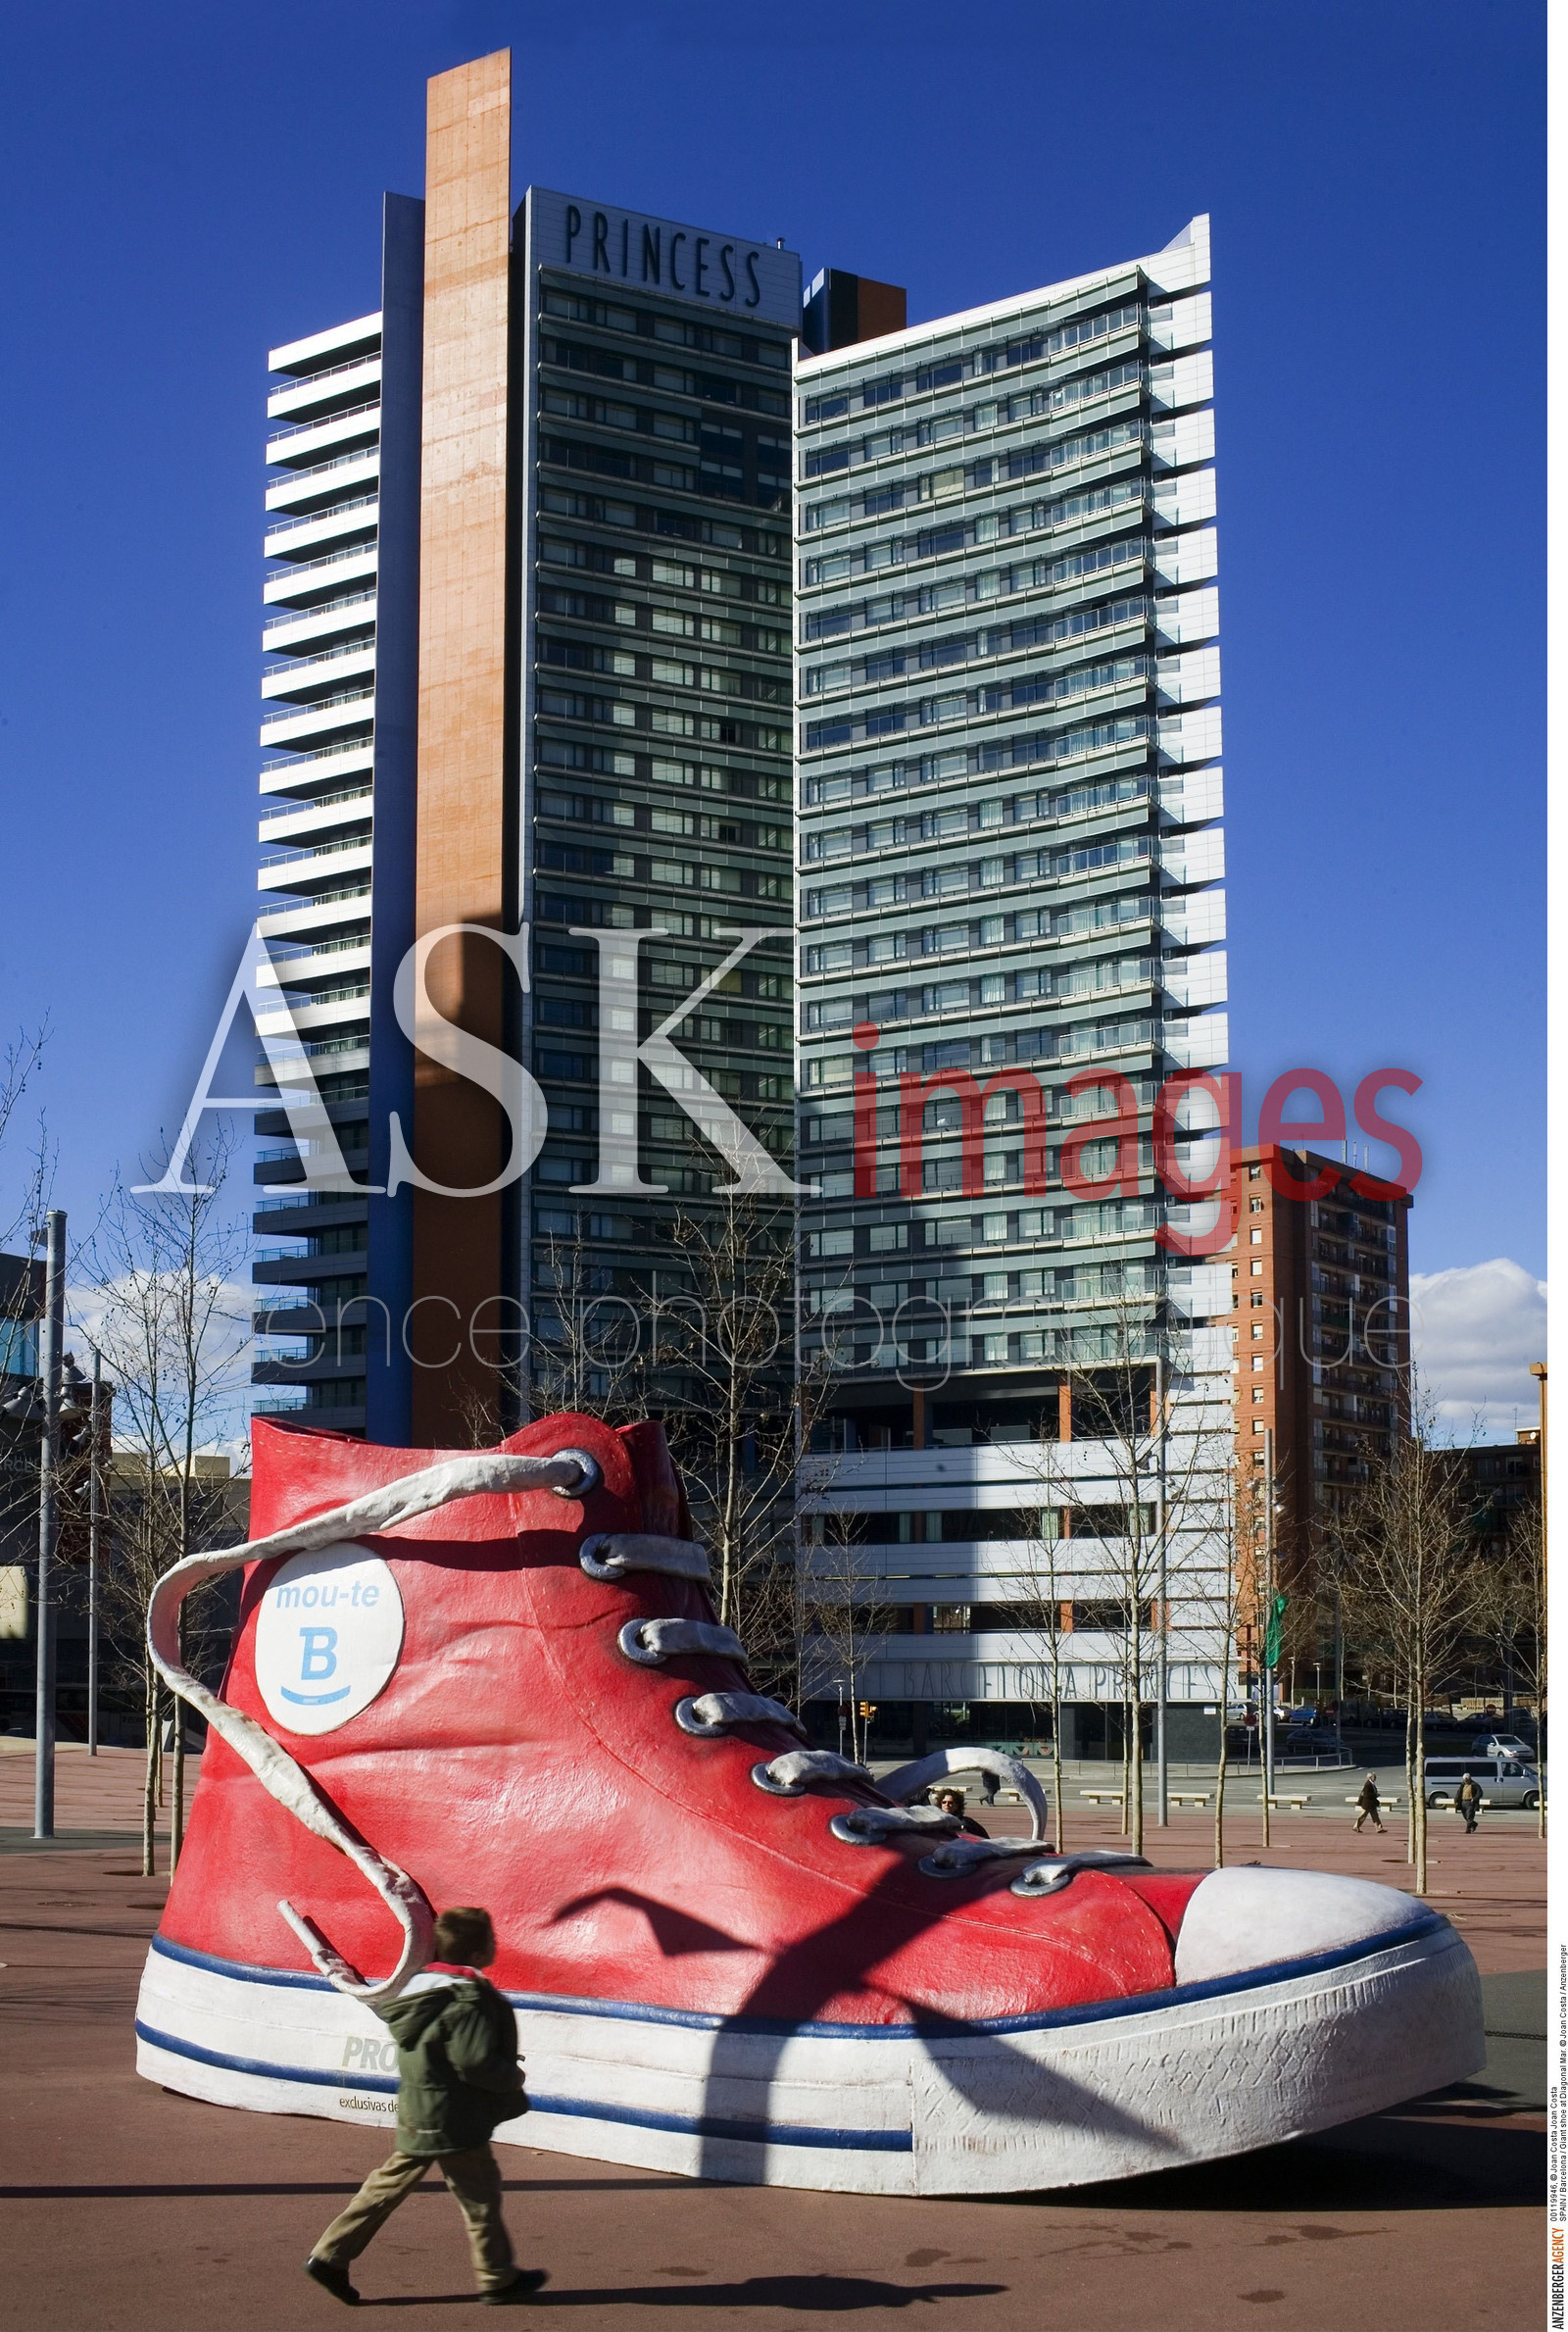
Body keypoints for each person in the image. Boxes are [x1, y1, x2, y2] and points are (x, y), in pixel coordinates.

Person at [304, 1907, 544, 2308]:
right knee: (480, 2195)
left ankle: (329, 2256)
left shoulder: (420, 1991)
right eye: (492, 1939)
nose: (496, 1944)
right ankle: (497, 2277)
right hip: (457, 2116)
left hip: (420, 2108)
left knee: (387, 2185)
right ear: (479, 1951)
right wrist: (511, 2077)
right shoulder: (469, 1998)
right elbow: (473, 2062)